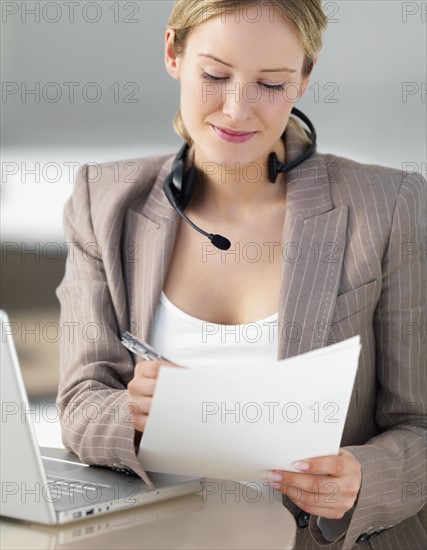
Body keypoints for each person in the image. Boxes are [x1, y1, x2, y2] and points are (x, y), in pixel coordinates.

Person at [56, 1, 426, 548]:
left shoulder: (390, 206)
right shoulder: (102, 200)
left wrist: (364, 476)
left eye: (271, 84)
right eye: (214, 75)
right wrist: (132, 412)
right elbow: (81, 401)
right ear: (172, 53)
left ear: (305, 77)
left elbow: (419, 424)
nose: (236, 110)